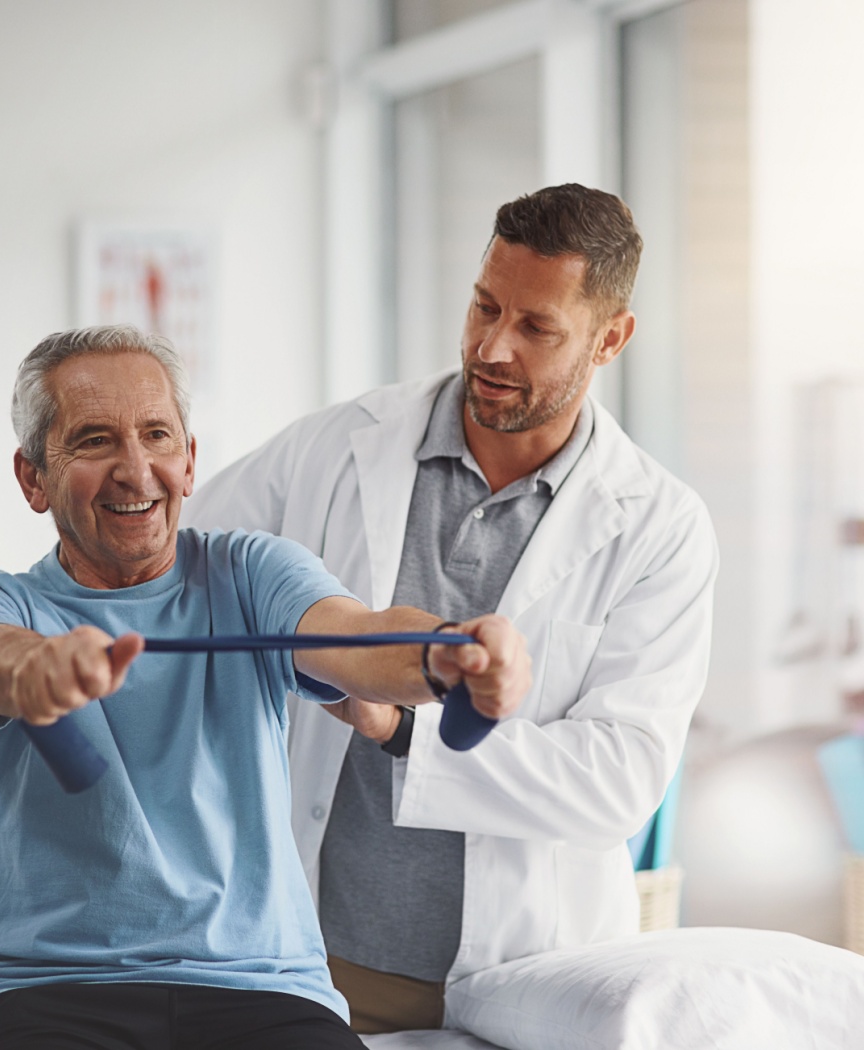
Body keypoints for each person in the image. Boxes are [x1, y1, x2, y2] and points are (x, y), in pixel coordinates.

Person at [183, 184, 718, 1033]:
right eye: (483, 306)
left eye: (536, 327)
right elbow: (173, 560)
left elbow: (617, 781)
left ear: (610, 337)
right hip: (313, 960)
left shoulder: (659, 527)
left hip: (522, 977)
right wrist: (8, 617)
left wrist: (402, 730)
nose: (492, 346)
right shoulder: (342, 443)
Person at [0, 324, 531, 1049]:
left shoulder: (250, 572)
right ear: (32, 479)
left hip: (260, 988)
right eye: (93, 441)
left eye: (157, 436)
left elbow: (355, 636)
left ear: (190, 461)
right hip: (46, 992)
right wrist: (37, 672)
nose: (135, 469)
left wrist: (447, 655)